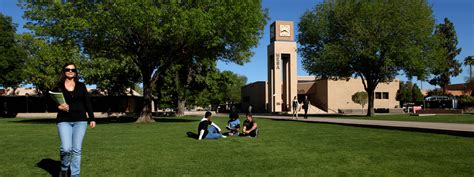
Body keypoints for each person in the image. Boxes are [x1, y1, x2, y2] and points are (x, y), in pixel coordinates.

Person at [52, 63, 96, 177]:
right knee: (66, 148)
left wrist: (92, 118)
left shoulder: (81, 85)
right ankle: (64, 168)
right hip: (63, 120)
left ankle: (75, 175)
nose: (70, 71)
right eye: (67, 69)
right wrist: (58, 106)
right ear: (64, 71)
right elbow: (48, 100)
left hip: (80, 121)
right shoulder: (58, 86)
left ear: (75, 72)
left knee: (76, 150)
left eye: (73, 69)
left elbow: (87, 102)